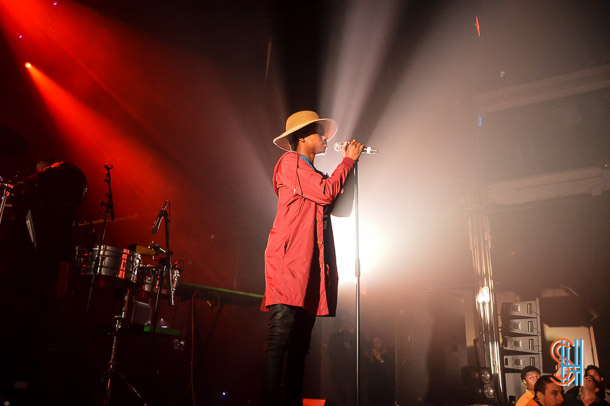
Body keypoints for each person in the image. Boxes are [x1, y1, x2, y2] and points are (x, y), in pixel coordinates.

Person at [260, 110, 364, 406]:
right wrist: (347, 162)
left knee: (301, 344)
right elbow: (326, 193)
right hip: (289, 262)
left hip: (309, 267)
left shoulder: (313, 175)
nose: (326, 138)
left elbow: (340, 206)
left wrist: (351, 166)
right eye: (321, 133)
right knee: (280, 336)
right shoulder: (290, 162)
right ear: (303, 138)